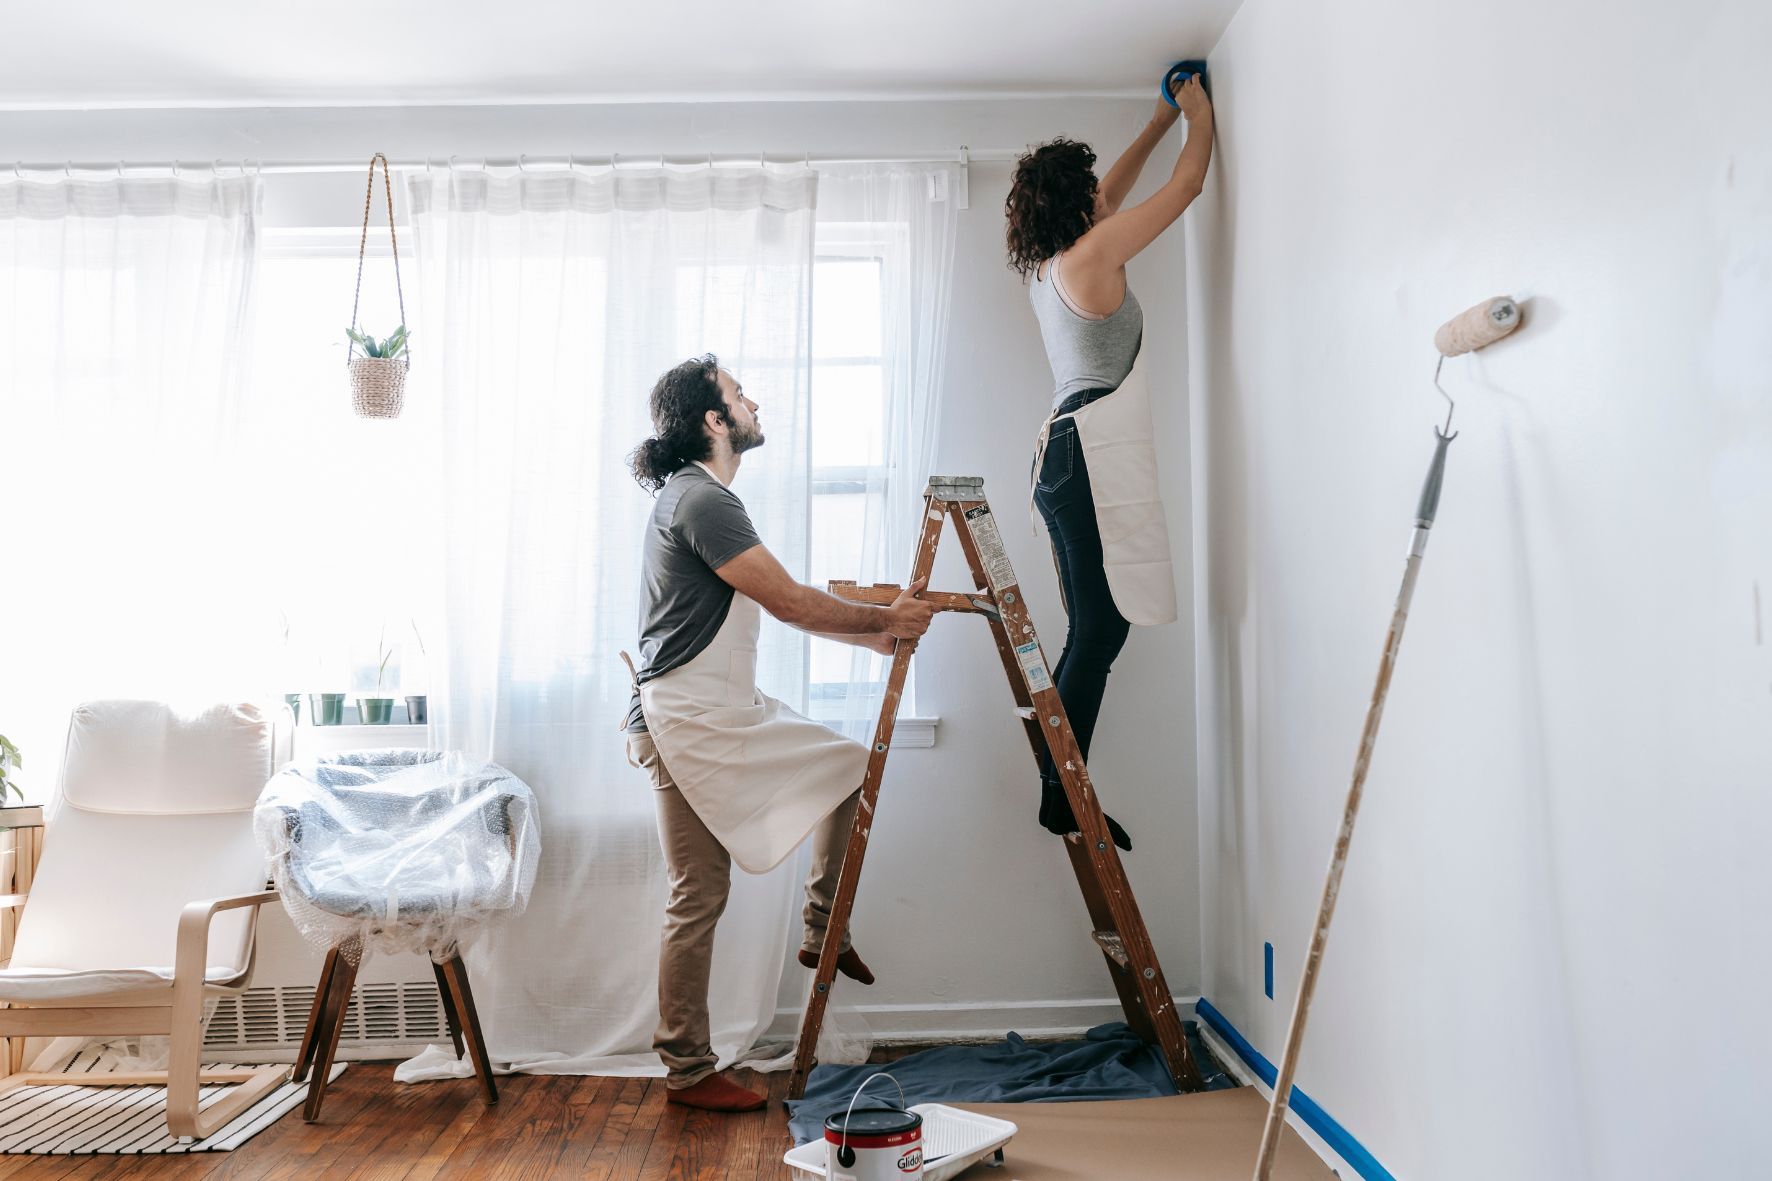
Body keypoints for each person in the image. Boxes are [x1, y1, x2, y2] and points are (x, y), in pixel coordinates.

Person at [623, 354, 936, 1112]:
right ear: (712, 419)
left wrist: (873, 639)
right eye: (737, 394)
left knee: (843, 769)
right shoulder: (702, 501)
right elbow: (791, 602)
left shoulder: (693, 496)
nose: (751, 401)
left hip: (709, 706)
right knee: (698, 892)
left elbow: (776, 605)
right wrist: (885, 622)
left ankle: (822, 920)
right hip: (690, 716)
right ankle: (690, 1069)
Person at [1006, 73, 1214, 852]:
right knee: (1099, 628)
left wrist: (1159, 120)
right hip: (1082, 450)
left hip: (1063, 452)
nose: (1105, 195)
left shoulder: (1053, 265)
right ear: (1078, 204)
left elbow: (1115, 192)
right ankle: (1062, 789)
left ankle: (1061, 783)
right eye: (1092, 190)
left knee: (1095, 625)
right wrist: (1197, 117)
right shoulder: (1092, 252)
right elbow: (1188, 188)